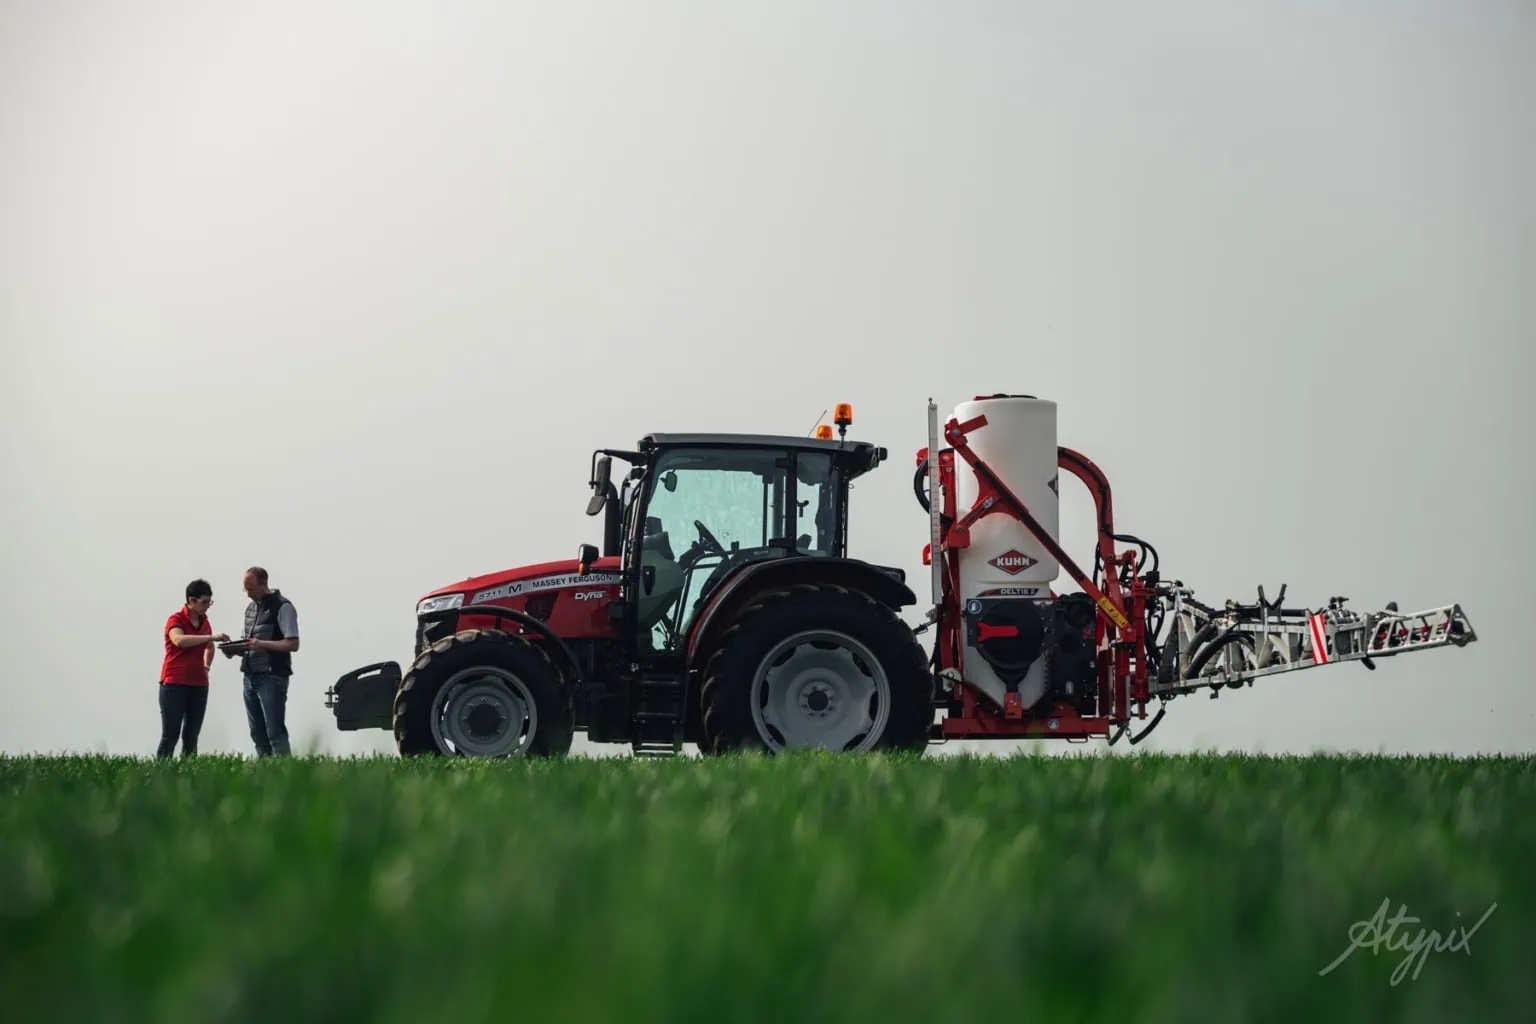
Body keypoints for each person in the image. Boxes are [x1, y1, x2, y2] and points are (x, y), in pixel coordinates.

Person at [230, 566, 300, 757]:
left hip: (272, 676)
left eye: (251, 589)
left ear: (264, 584)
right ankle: (264, 770)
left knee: (275, 731)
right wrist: (236, 649)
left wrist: (262, 644)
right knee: (257, 733)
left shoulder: (283, 607)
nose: (248, 594)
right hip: (249, 676)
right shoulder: (250, 609)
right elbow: (249, 642)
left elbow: (293, 644)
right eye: (245, 589)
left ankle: (284, 769)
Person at [157, 578, 229, 758]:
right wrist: (210, 637)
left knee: (191, 736)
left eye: (209, 602)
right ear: (192, 600)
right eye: (204, 602)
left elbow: (209, 647)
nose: (207, 606)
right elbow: (178, 640)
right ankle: (161, 770)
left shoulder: (205, 622)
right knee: (170, 734)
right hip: (174, 682)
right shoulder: (176, 619)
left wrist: (206, 665)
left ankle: (189, 770)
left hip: (198, 683)